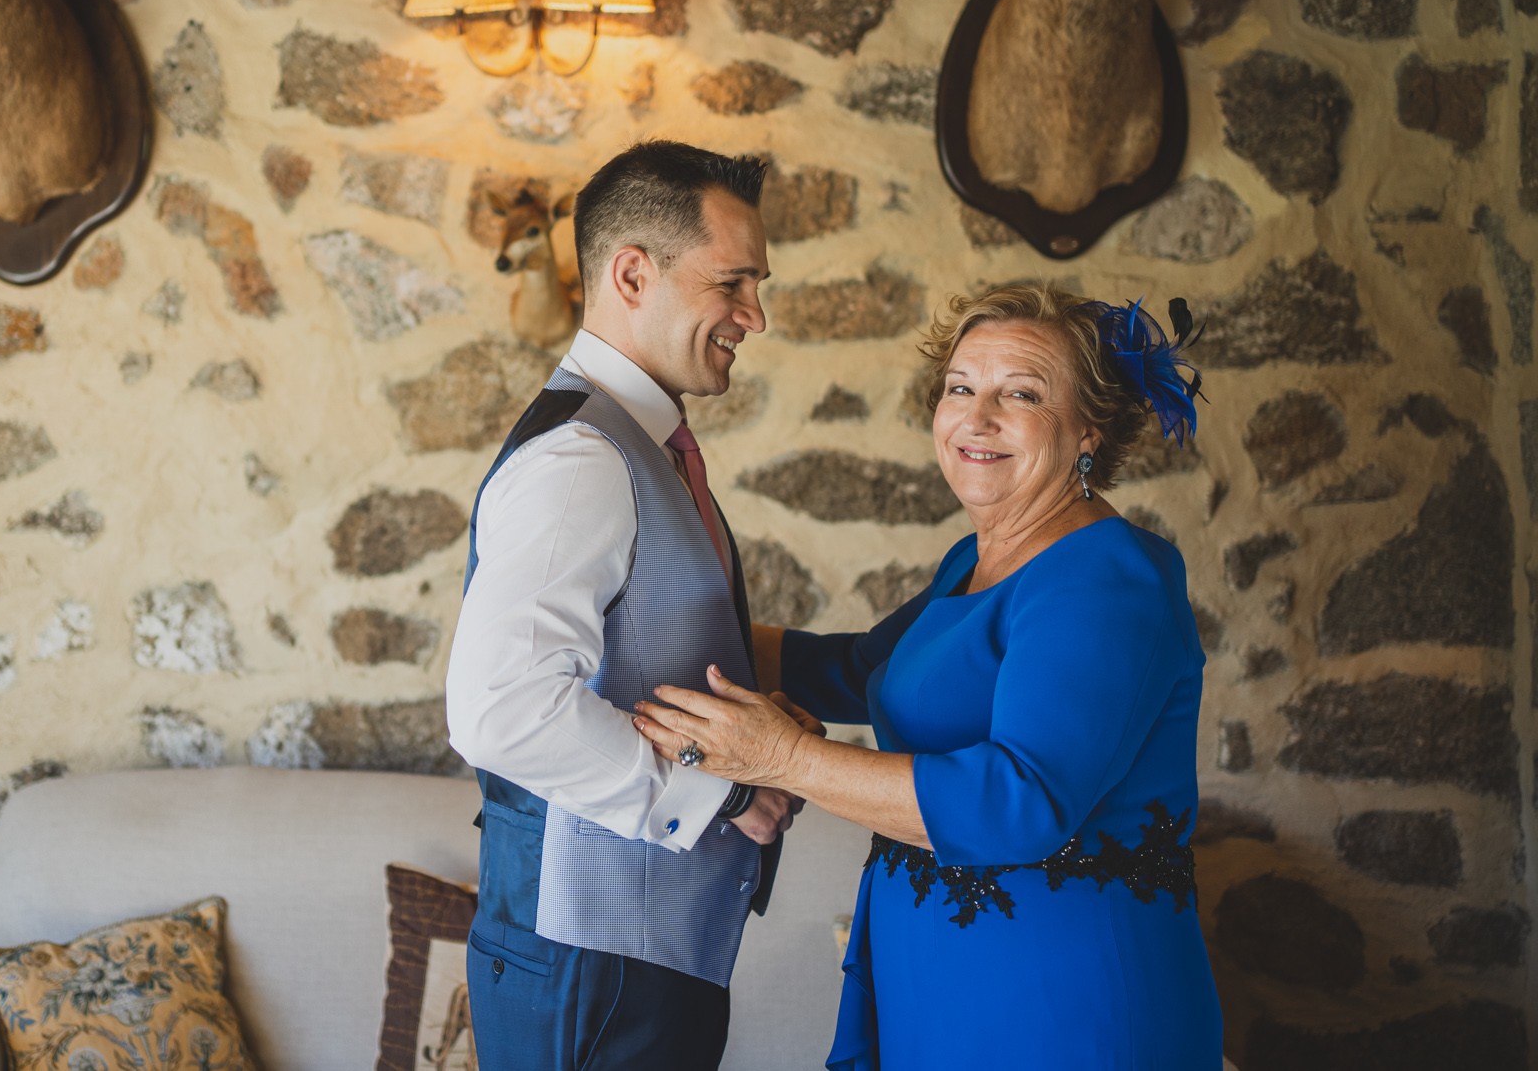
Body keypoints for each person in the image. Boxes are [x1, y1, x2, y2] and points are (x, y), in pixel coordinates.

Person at [636, 282, 1222, 1070]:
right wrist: (651, 620)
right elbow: (858, 670)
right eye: (960, 388)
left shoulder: (1109, 576)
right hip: (937, 979)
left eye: (1020, 393)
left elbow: (1024, 801)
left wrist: (784, 760)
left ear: (1089, 429)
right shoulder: (975, 560)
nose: (977, 419)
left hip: (1060, 1000)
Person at [446, 141, 806, 1071]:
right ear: (633, 273)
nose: (753, 316)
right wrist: (714, 793)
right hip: (591, 965)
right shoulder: (582, 459)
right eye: (733, 283)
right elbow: (502, 710)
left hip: (635, 958)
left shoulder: (638, 442)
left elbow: (651, 639)